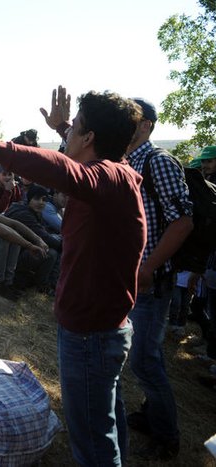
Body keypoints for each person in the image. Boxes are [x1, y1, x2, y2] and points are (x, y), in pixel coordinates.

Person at [0, 82, 146, 465]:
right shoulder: (118, 175)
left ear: (90, 136)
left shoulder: (107, 177)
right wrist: (65, 130)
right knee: (105, 418)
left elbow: (66, 169)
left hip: (90, 332)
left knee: (93, 439)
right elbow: (82, 162)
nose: (68, 132)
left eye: (75, 125)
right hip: (103, 326)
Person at [124, 98, 192, 460]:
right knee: (145, 353)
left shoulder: (158, 162)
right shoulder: (128, 160)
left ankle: (167, 435)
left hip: (151, 280)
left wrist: (147, 268)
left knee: (144, 359)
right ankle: (153, 416)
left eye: (129, 117)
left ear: (147, 125)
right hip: (136, 279)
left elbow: (182, 221)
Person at [5, 185, 61, 292]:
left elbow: (41, 231)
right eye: (37, 198)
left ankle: (49, 282)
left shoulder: (29, 210)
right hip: (9, 257)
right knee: (50, 253)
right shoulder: (24, 213)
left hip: (17, 251)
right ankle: (43, 285)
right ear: (29, 198)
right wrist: (63, 246)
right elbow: (43, 236)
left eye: (44, 200)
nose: (41, 202)